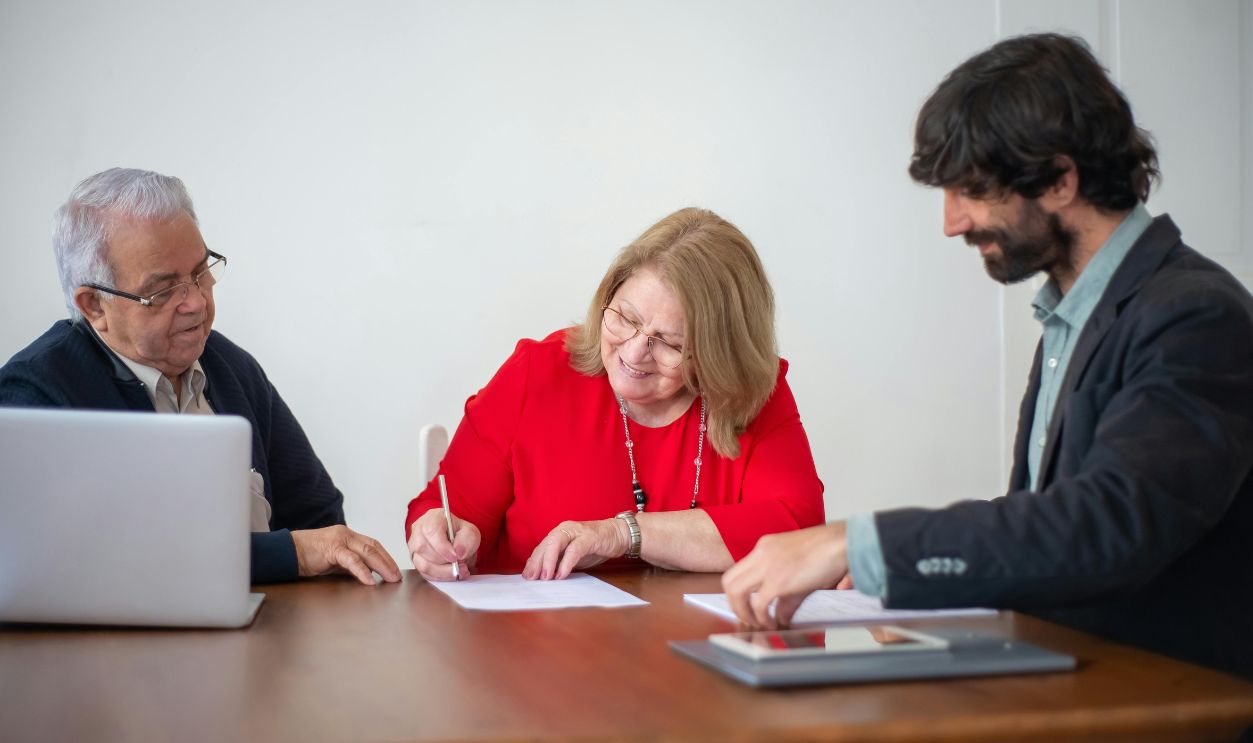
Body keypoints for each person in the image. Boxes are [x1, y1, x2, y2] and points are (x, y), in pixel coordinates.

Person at [723, 33, 1253, 680]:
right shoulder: (1072, 312)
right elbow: (1046, 533)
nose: (951, 222)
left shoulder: (1195, 314)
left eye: (970, 189)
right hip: (1061, 675)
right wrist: (905, 589)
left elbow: (1108, 524)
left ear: (1060, 180)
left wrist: (858, 545)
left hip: (1162, 697)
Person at [0, 168, 402, 587]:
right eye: (162, 291)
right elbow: (85, 560)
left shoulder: (230, 367)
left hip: (264, 635)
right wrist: (289, 554)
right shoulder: (34, 395)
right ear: (94, 305)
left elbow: (320, 524)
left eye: (199, 273)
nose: (195, 301)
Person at [406, 207, 825, 580]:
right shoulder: (538, 373)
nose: (634, 351)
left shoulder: (751, 393)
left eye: (671, 343)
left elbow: (798, 530)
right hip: (537, 652)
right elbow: (448, 512)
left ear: (719, 353)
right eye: (625, 317)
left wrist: (622, 533)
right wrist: (440, 540)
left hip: (699, 654)